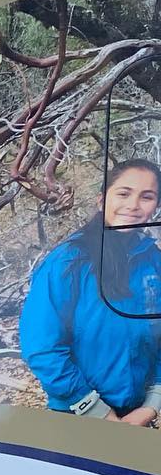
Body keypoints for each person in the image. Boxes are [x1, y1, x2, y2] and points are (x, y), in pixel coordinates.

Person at [19, 157, 161, 421]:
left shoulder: (154, 261)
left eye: (147, 196)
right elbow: (41, 346)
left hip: (137, 416)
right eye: (123, 193)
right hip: (77, 418)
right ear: (101, 200)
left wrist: (151, 405)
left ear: (156, 206)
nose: (133, 205)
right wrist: (98, 412)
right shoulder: (68, 260)